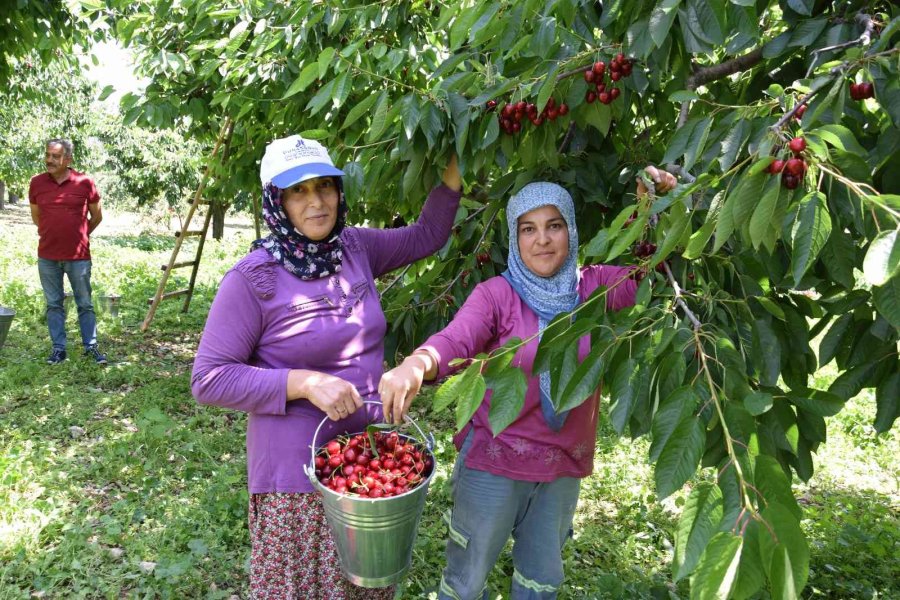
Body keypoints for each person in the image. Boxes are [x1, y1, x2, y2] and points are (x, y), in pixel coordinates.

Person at [379, 167, 677, 600]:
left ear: (571, 230)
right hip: (495, 463)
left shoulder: (592, 288)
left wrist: (655, 208)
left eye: (554, 225)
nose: (542, 240)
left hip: (560, 468)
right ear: (515, 238)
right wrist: (418, 362)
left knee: (541, 581)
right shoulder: (497, 295)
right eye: (528, 229)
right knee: (466, 579)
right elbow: (456, 339)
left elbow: (654, 273)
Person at [191, 134, 462, 600]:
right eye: (298, 191)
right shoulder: (253, 278)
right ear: (276, 202)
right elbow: (209, 378)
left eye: (324, 187)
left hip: (367, 464)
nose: (316, 202)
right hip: (296, 479)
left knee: (365, 585)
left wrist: (459, 157)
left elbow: (426, 236)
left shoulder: (354, 248)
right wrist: (303, 382)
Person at [29, 138, 107, 365]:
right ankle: (58, 350)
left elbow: (97, 216)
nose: (49, 160)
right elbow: (37, 217)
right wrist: (52, 233)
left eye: (55, 156)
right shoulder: (37, 183)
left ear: (68, 159)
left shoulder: (84, 182)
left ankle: (91, 347)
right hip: (47, 256)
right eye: (47, 155)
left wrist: (80, 235)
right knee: (54, 304)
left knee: (85, 303)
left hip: (78, 257)